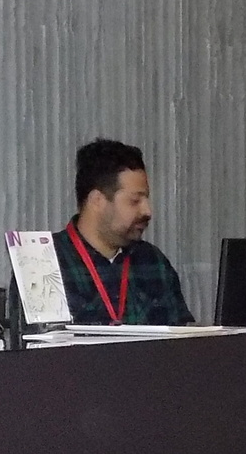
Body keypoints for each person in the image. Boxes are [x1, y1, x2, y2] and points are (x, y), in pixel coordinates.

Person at [54, 138, 192, 325]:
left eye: (146, 200)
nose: (147, 211)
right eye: (135, 201)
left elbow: (184, 340)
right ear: (97, 201)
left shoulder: (153, 261)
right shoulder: (45, 264)